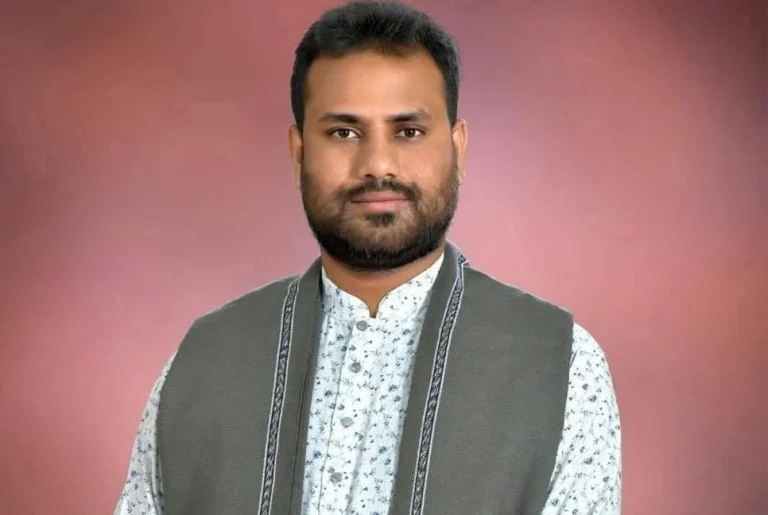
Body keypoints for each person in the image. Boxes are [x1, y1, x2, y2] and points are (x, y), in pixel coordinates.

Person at [113, 1, 621, 514]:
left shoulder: (557, 365)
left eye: (408, 132)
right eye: (344, 133)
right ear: (299, 154)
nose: (377, 164)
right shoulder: (207, 358)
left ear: (458, 149)